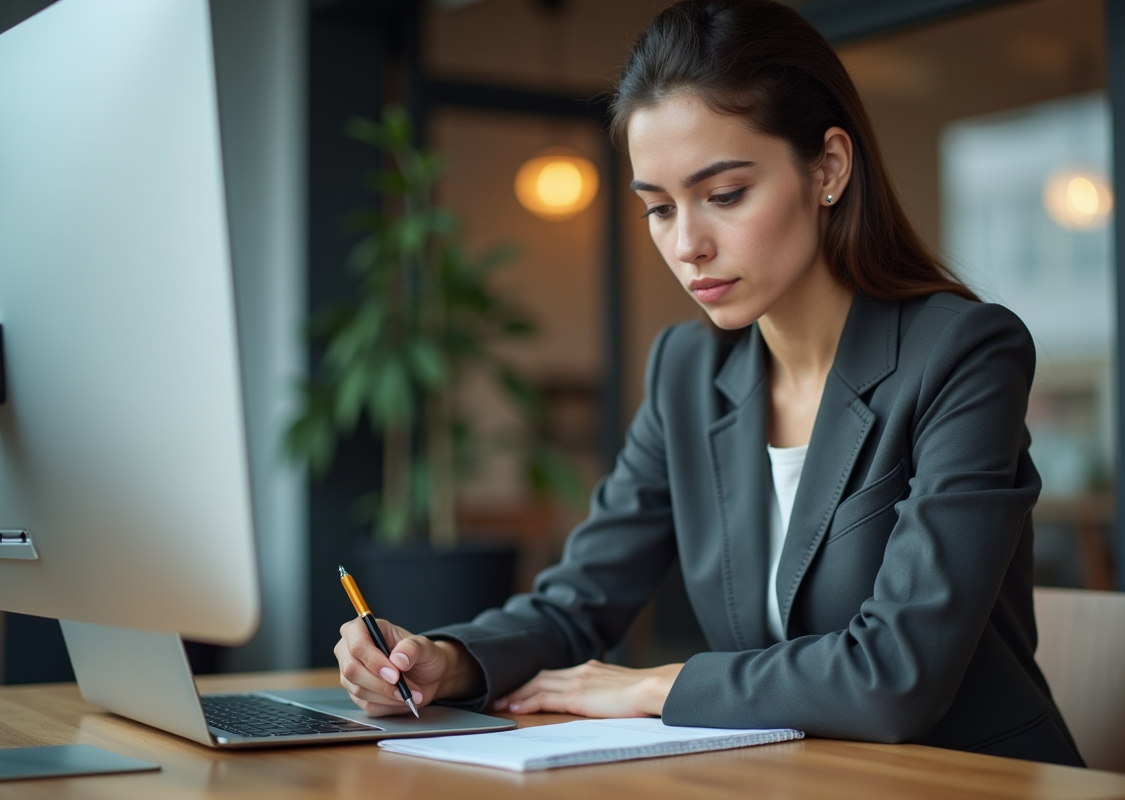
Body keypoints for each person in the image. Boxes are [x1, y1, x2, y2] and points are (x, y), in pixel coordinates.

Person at [334, 0, 1084, 766]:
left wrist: (653, 688)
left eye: (724, 196)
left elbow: (898, 672)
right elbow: (580, 599)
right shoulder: (688, 372)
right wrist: (448, 660)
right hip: (799, 778)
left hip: (968, 779)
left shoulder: (962, 352)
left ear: (827, 168)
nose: (687, 244)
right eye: (659, 208)